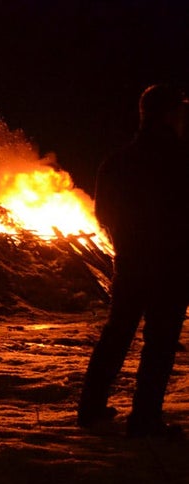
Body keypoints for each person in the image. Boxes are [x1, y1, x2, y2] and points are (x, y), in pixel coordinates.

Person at [77, 84, 189, 438]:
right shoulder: (181, 160)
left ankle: (90, 408)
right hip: (171, 266)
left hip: (131, 262)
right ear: (170, 115)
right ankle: (144, 420)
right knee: (160, 341)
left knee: (118, 332)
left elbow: (104, 214)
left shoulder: (118, 161)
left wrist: (125, 244)